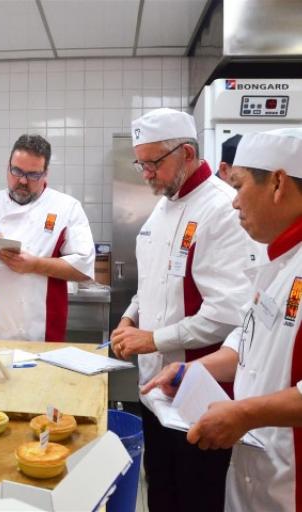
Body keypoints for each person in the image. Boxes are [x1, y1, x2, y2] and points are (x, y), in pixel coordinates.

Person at [142, 128, 302, 511]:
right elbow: (246, 343)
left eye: (240, 186)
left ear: (278, 183)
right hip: (257, 475)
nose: (233, 203)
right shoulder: (276, 260)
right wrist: (191, 371)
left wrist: (245, 413)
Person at [110, 108, 254, 511]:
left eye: (153, 162)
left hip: (199, 392)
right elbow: (151, 285)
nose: (146, 173)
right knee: (161, 488)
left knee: (196, 494)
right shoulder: (163, 206)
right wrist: (129, 318)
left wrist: (153, 338)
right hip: (155, 387)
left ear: (187, 152)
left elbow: (228, 312)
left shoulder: (223, 209)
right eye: (141, 163)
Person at [0, 134, 95, 342]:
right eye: (16, 171)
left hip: (39, 334)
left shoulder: (67, 207)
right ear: (7, 166)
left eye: (33, 175)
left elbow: (83, 268)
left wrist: (34, 265)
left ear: (46, 174)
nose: (23, 181)